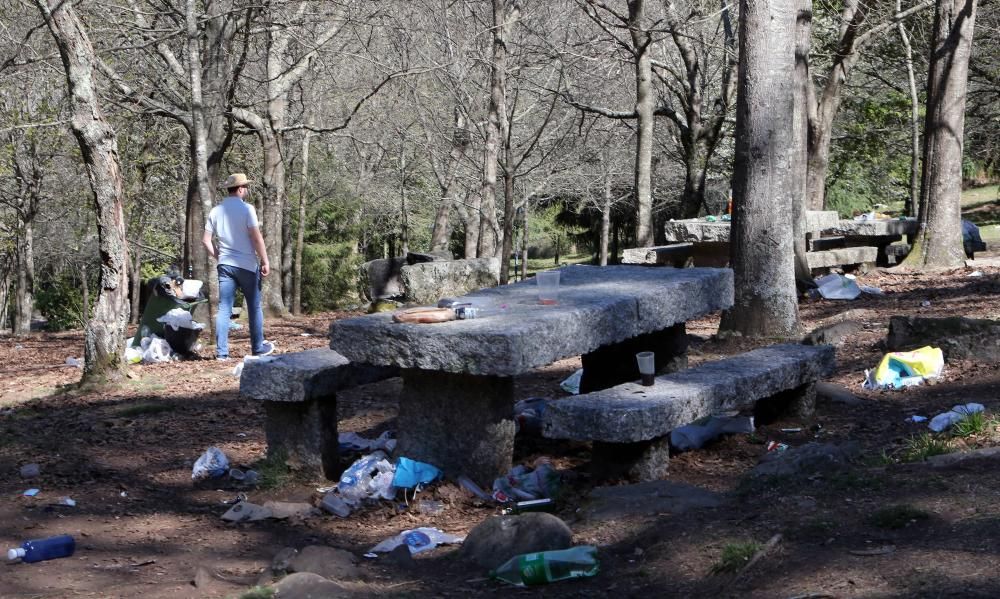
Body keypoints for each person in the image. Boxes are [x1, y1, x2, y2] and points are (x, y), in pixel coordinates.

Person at [202, 173, 274, 360]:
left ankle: (221, 353)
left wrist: (219, 256)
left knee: (224, 309)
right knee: (254, 307)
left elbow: (206, 241)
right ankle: (258, 348)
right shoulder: (247, 209)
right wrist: (265, 260)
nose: (247, 190)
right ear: (241, 189)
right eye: (246, 187)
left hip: (225, 265)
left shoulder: (215, 211)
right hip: (247, 265)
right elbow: (256, 238)